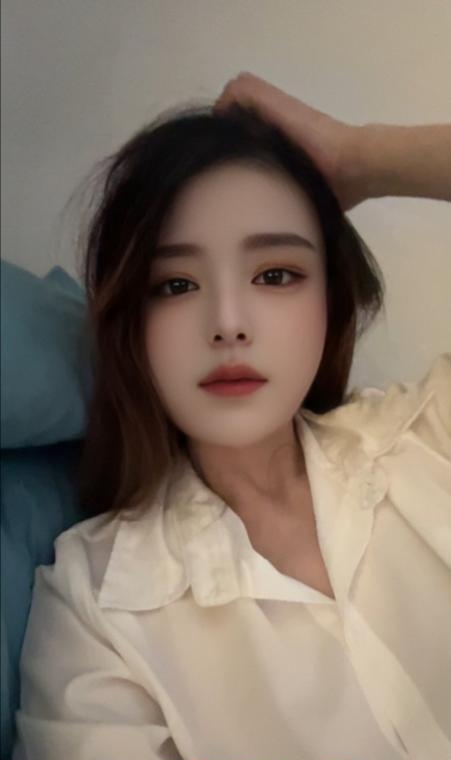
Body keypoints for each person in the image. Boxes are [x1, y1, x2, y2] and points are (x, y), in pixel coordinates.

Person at [12, 72, 451, 760]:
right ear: (131, 325)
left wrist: (362, 158)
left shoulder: (429, 435)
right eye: (175, 285)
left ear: (332, 300)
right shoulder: (97, 607)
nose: (227, 323)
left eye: (274, 274)